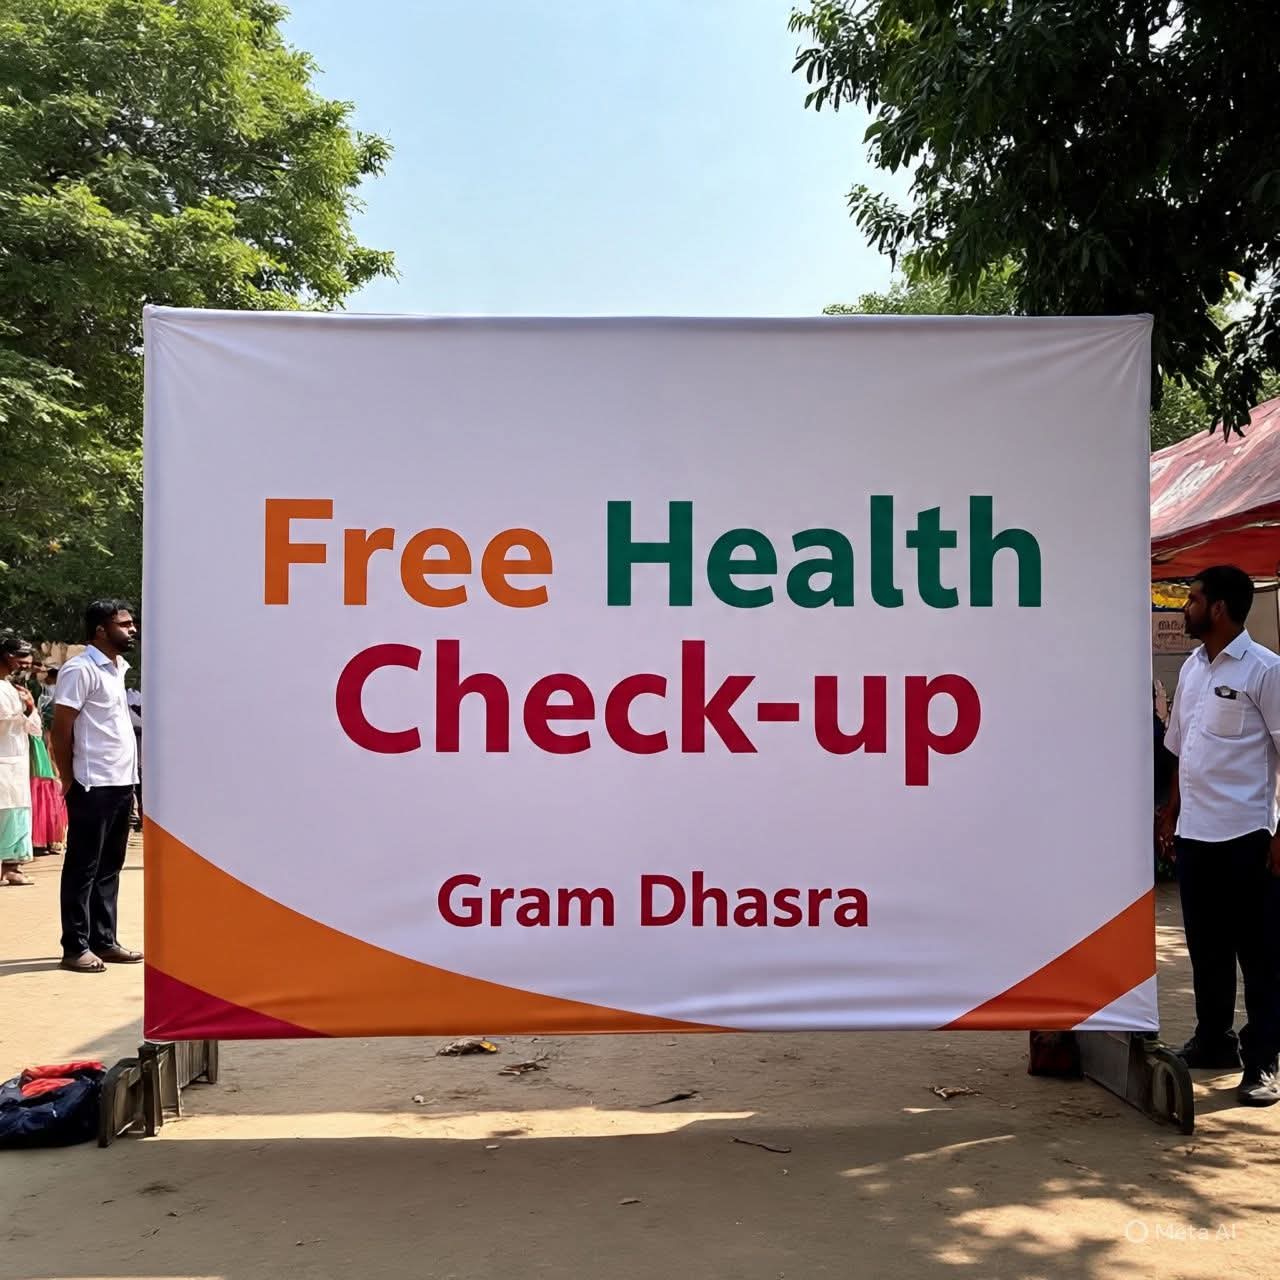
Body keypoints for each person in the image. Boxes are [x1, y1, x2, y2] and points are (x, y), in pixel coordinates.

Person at [1157, 565, 1280, 1106]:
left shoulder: (1265, 670)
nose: (1185, 608)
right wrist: (1171, 812)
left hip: (1248, 836)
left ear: (1220, 608)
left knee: (1260, 955)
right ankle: (1213, 1041)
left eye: (1193, 599)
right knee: (1206, 949)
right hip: (1196, 836)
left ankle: (1264, 1062)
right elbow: (1182, 748)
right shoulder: (1191, 668)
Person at [51, 600, 142, 973]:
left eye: (132, 623)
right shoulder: (80, 669)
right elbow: (61, 728)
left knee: (109, 866)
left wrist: (132, 784)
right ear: (101, 630)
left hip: (121, 781)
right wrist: (68, 777)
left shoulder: (117, 669)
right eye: (124, 623)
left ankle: (104, 940)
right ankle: (75, 946)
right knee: (83, 866)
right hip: (92, 782)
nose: (132, 629)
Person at [1, 635, 44, 886]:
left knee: (16, 811)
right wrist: (22, 709)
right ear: (8, 656)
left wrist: (29, 706)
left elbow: (34, 729)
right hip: (3, 759)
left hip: (16, 761)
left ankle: (12, 867)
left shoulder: (13, 689)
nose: (26, 664)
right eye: (22, 658)